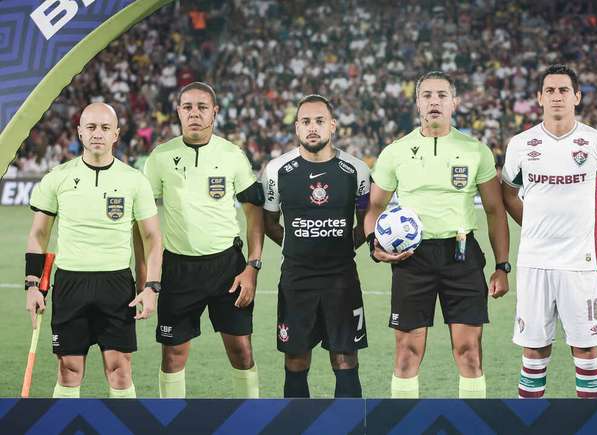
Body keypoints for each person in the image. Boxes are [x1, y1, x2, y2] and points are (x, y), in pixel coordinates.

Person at [365, 71, 510, 399]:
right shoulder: (395, 152)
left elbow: (494, 210)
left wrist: (502, 265)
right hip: (411, 257)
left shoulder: (476, 151)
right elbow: (374, 207)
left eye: (442, 95)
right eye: (427, 95)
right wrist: (376, 245)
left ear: (454, 102)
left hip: (461, 254)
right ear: (417, 103)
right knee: (406, 355)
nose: (434, 101)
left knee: (469, 352)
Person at [501, 64, 597, 399]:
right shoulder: (521, 144)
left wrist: (590, 230)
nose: (557, 96)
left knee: (586, 353)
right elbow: (508, 194)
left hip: (579, 265)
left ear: (577, 97)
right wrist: (534, 227)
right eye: (550, 91)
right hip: (534, 262)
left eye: (564, 90)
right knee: (534, 352)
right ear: (539, 98)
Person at [25, 102, 162, 398]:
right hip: (70, 283)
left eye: (104, 128)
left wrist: (151, 287)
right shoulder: (57, 177)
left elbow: (152, 239)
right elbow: (38, 235)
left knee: (120, 369)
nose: (97, 133)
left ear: (116, 134)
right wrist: (33, 285)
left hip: (116, 284)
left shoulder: (134, 180)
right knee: (68, 369)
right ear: (79, 133)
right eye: (90, 127)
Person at [141, 82, 265, 398]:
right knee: (172, 355)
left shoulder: (232, 155)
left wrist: (252, 266)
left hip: (227, 267)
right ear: (178, 111)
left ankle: (250, 419)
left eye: (202, 107)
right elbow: (142, 221)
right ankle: (169, 422)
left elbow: (254, 213)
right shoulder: (160, 157)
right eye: (187, 107)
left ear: (215, 112)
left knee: (240, 349)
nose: (194, 113)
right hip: (178, 269)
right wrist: (146, 276)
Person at [262, 95, 370, 398]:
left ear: (332, 125)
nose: (313, 127)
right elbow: (268, 222)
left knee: (345, 358)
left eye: (320, 121)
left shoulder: (357, 170)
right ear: (297, 127)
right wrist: (295, 243)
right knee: (296, 358)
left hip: (342, 279)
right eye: (306, 121)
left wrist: (342, 246)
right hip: (297, 279)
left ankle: (348, 427)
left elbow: (365, 221)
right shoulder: (277, 170)